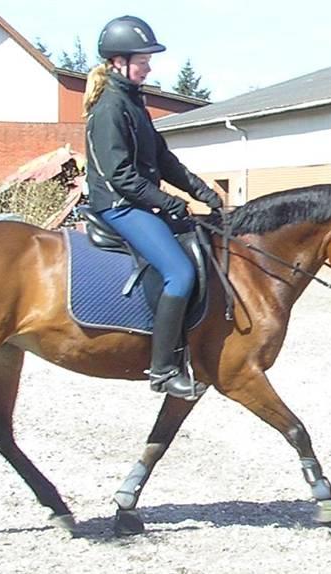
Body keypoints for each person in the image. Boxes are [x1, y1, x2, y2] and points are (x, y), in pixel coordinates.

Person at [83, 15, 222, 400]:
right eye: (142, 59)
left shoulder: (134, 102)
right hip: (118, 205)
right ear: (118, 62)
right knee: (178, 271)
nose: (149, 65)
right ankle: (163, 370)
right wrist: (168, 202)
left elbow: (163, 160)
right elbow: (119, 174)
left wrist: (202, 192)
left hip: (139, 200)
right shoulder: (109, 107)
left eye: (148, 59)